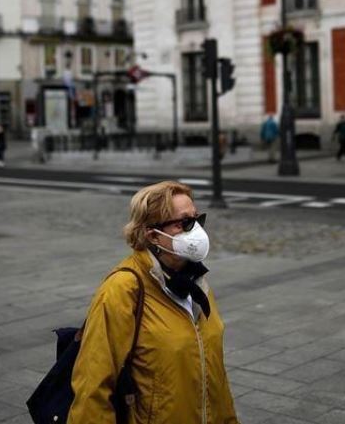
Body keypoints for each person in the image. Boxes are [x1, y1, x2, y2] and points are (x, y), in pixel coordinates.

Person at [69, 181, 239, 423]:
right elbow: (92, 387)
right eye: (184, 223)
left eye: (197, 220)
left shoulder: (196, 281)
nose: (197, 231)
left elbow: (217, 381)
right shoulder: (122, 289)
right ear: (153, 235)